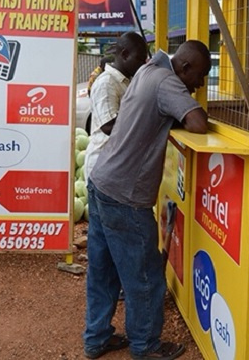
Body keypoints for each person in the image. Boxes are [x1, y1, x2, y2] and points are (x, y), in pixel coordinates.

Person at [84, 40, 210, 360]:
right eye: (200, 74)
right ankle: (145, 347)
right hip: (125, 196)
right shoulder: (167, 81)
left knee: (103, 271)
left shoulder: (146, 70)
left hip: (101, 183)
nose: (201, 83)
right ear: (183, 68)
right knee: (145, 277)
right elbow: (197, 122)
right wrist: (183, 112)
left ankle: (96, 337)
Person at [84, 32, 147, 183]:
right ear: (125, 55)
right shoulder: (107, 83)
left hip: (115, 167)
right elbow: (109, 126)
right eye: (139, 59)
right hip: (102, 168)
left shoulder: (127, 81)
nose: (142, 64)